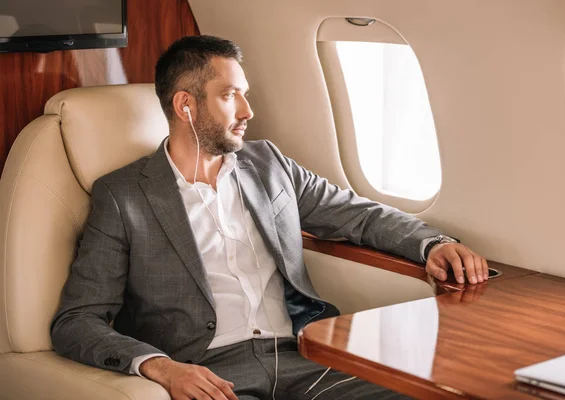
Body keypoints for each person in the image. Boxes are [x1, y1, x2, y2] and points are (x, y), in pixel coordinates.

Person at [51, 35, 488, 400]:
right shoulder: (124, 195)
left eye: (245, 94)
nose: (247, 111)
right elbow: (77, 321)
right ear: (185, 105)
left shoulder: (268, 163)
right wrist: (164, 369)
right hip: (210, 373)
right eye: (229, 96)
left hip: (305, 356)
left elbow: (356, 215)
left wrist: (433, 243)